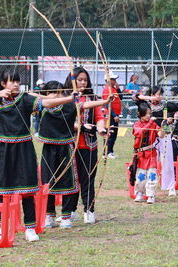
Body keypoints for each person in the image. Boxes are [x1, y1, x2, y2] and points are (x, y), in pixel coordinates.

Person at [0, 69, 75, 242]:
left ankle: (30, 228)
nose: (15, 84)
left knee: (28, 190)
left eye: (17, 81)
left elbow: (47, 103)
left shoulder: (26, 99)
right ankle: (2, 226)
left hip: (24, 149)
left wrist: (69, 99)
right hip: (5, 149)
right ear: (3, 84)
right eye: (11, 81)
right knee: (4, 189)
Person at [39, 80, 112, 229]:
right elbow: (32, 97)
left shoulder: (69, 105)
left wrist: (105, 101)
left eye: (59, 92)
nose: (57, 95)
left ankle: (66, 216)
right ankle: (49, 215)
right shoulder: (41, 105)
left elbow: (85, 105)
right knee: (48, 182)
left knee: (67, 181)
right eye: (52, 92)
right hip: (48, 149)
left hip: (66, 148)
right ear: (45, 95)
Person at [64, 67, 108, 224]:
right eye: (79, 79)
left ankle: (89, 210)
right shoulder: (65, 98)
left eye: (85, 80)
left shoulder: (92, 98)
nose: (83, 82)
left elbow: (99, 117)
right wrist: (80, 126)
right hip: (69, 145)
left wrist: (101, 128)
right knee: (71, 179)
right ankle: (69, 211)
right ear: (72, 81)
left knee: (88, 178)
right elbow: (64, 121)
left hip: (88, 146)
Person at [132, 102, 165, 204]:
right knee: (140, 176)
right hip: (141, 155)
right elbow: (140, 132)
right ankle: (140, 194)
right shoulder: (137, 125)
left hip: (151, 153)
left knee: (152, 175)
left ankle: (151, 194)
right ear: (140, 114)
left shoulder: (154, 124)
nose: (148, 116)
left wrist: (163, 126)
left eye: (149, 113)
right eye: (146, 114)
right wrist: (151, 122)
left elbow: (161, 135)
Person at [102, 72, 122, 159]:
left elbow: (121, 98)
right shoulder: (107, 90)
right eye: (113, 79)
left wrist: (118, 89)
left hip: (115, 115)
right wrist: (114, 115)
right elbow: (107, 104)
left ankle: (110, 151)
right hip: (110, 115)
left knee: (114, 134)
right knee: (109, 133)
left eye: (115, 79)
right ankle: (106, 152)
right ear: (108, 80)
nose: (115, 81)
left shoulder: (113, 89)